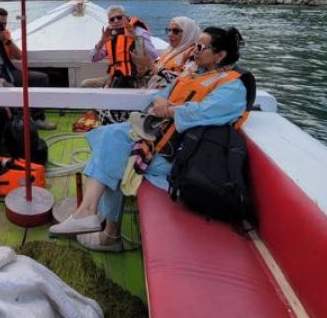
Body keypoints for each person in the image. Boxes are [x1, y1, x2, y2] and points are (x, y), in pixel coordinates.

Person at [51, 27, 247, 252]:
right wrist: (163, 103)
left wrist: (169, 109)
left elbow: (203, 112)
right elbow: (161, 96)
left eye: (200, 47)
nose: (194, 51)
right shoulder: (195, 74)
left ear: (220, 55)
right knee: (111, 137)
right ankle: (91, 216)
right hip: (162, 140)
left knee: (113, 147)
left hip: (184, 159)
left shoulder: (233, 86)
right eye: (194, 46)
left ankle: (102, 227)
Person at [0, 8, 55, 130]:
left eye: (5, 23)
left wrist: (7, 40)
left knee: (40, 78)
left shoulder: (5, 33)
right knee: (11, 88)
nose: (2, 26)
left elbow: (19, 56)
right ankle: (18, 123)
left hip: (7, 70)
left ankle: (38, 118)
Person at [80, 6, 158, 88]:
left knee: (118, 85)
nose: (116, 21)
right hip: (115, 76)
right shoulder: (110, 35)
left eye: (119, 17)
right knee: (85, 84)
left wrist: (135, 38)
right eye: (112, 19)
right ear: (109, 22)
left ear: (125, 18)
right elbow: (93, 58)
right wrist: (102, 41)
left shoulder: (138, 31)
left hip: (137, 76)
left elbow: (153, 55)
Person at [144, 16, 200, 89]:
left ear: (188, 33)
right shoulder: (170, 50)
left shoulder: (194, 53)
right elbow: (155, 68)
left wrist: (150, 64)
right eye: (168, 30)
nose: (170, 34)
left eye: (175, 31)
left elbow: (185, 79)